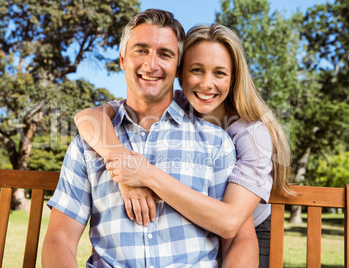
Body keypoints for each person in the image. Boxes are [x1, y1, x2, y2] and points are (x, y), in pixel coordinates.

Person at [42, 9, 259, 267]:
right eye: (141, 50)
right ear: (122, 59)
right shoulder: (89, 143)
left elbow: (240, 240)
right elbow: (60, 238)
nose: (151, 64)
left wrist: (144, 175)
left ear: (178, 68)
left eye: (165, 54)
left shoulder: (216, 143)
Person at [74, 23, 294, 267]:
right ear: (180, 72)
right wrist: (124, 170)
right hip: (198, 228)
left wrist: (146, 175)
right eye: (197, 70)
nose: (206, 84)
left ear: (233, 78)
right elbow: (88, 117)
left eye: (219, 73)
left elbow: (231, 222)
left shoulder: (251, 136)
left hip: (247, 227)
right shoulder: (178, 102)